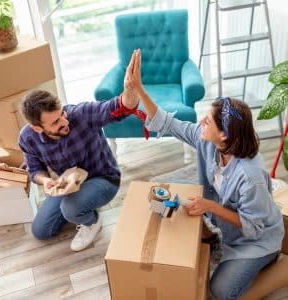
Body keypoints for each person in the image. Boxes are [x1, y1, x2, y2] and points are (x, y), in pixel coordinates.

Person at [126, 49, 284, 300]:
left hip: (258, 241)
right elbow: (168, 123)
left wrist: (210, 205)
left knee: (220, 290)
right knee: (165, 189)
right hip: (232, 229)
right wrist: (139, 89)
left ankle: (274, 264)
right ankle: (210, 237)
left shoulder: (250, 177)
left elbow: (254, 226)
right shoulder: (210, 143)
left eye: (208, 120)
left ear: (224, 135)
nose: (201, 122)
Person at [19, 53, 140, 252]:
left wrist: (130, 91)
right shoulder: (27, 138)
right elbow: (35, 170)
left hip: (104, 178)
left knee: (71, 209)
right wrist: (46, 181)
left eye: (62, 114)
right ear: (37, 128)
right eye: (56, 122)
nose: (64, 122)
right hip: (69, 185)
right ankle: (82, 205)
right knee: (41, 230)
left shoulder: (81, 114)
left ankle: (92, 220)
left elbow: (118, 108)